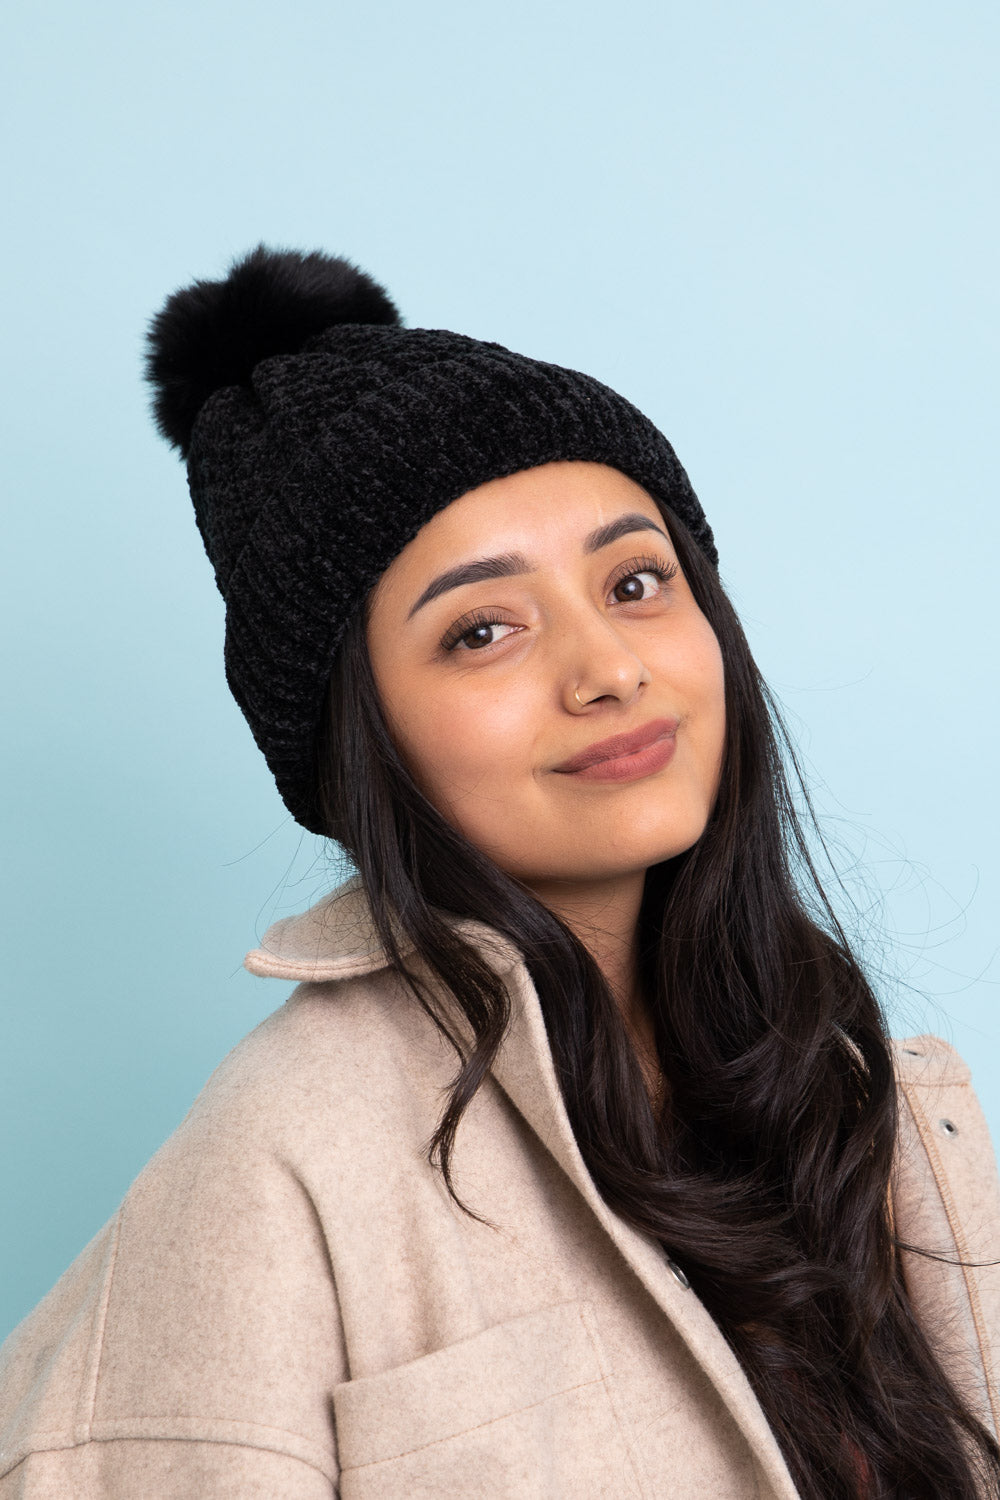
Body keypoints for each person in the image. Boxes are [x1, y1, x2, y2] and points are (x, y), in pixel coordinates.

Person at [0, 246, 998, 1500]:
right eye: (482, 631)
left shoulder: (859, 1102)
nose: (608, 670)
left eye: (637, 582)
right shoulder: (282, 1162)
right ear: (356, 733)